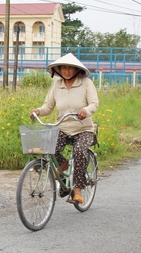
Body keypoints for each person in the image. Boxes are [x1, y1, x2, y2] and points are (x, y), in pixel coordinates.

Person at [30, 53, 99, 204]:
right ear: (59, 70)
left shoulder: (86, 83)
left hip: (83, 128)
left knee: (80, 151)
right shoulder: (57, 85)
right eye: (63, 68)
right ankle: (63, 166)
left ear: (76, 70)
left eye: (70, 68)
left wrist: (85, 111)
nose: (67, 71)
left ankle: (78, 191)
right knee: (48, 147)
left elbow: (94, 103)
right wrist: (38, 111)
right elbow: (48, 106)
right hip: (63, 127)